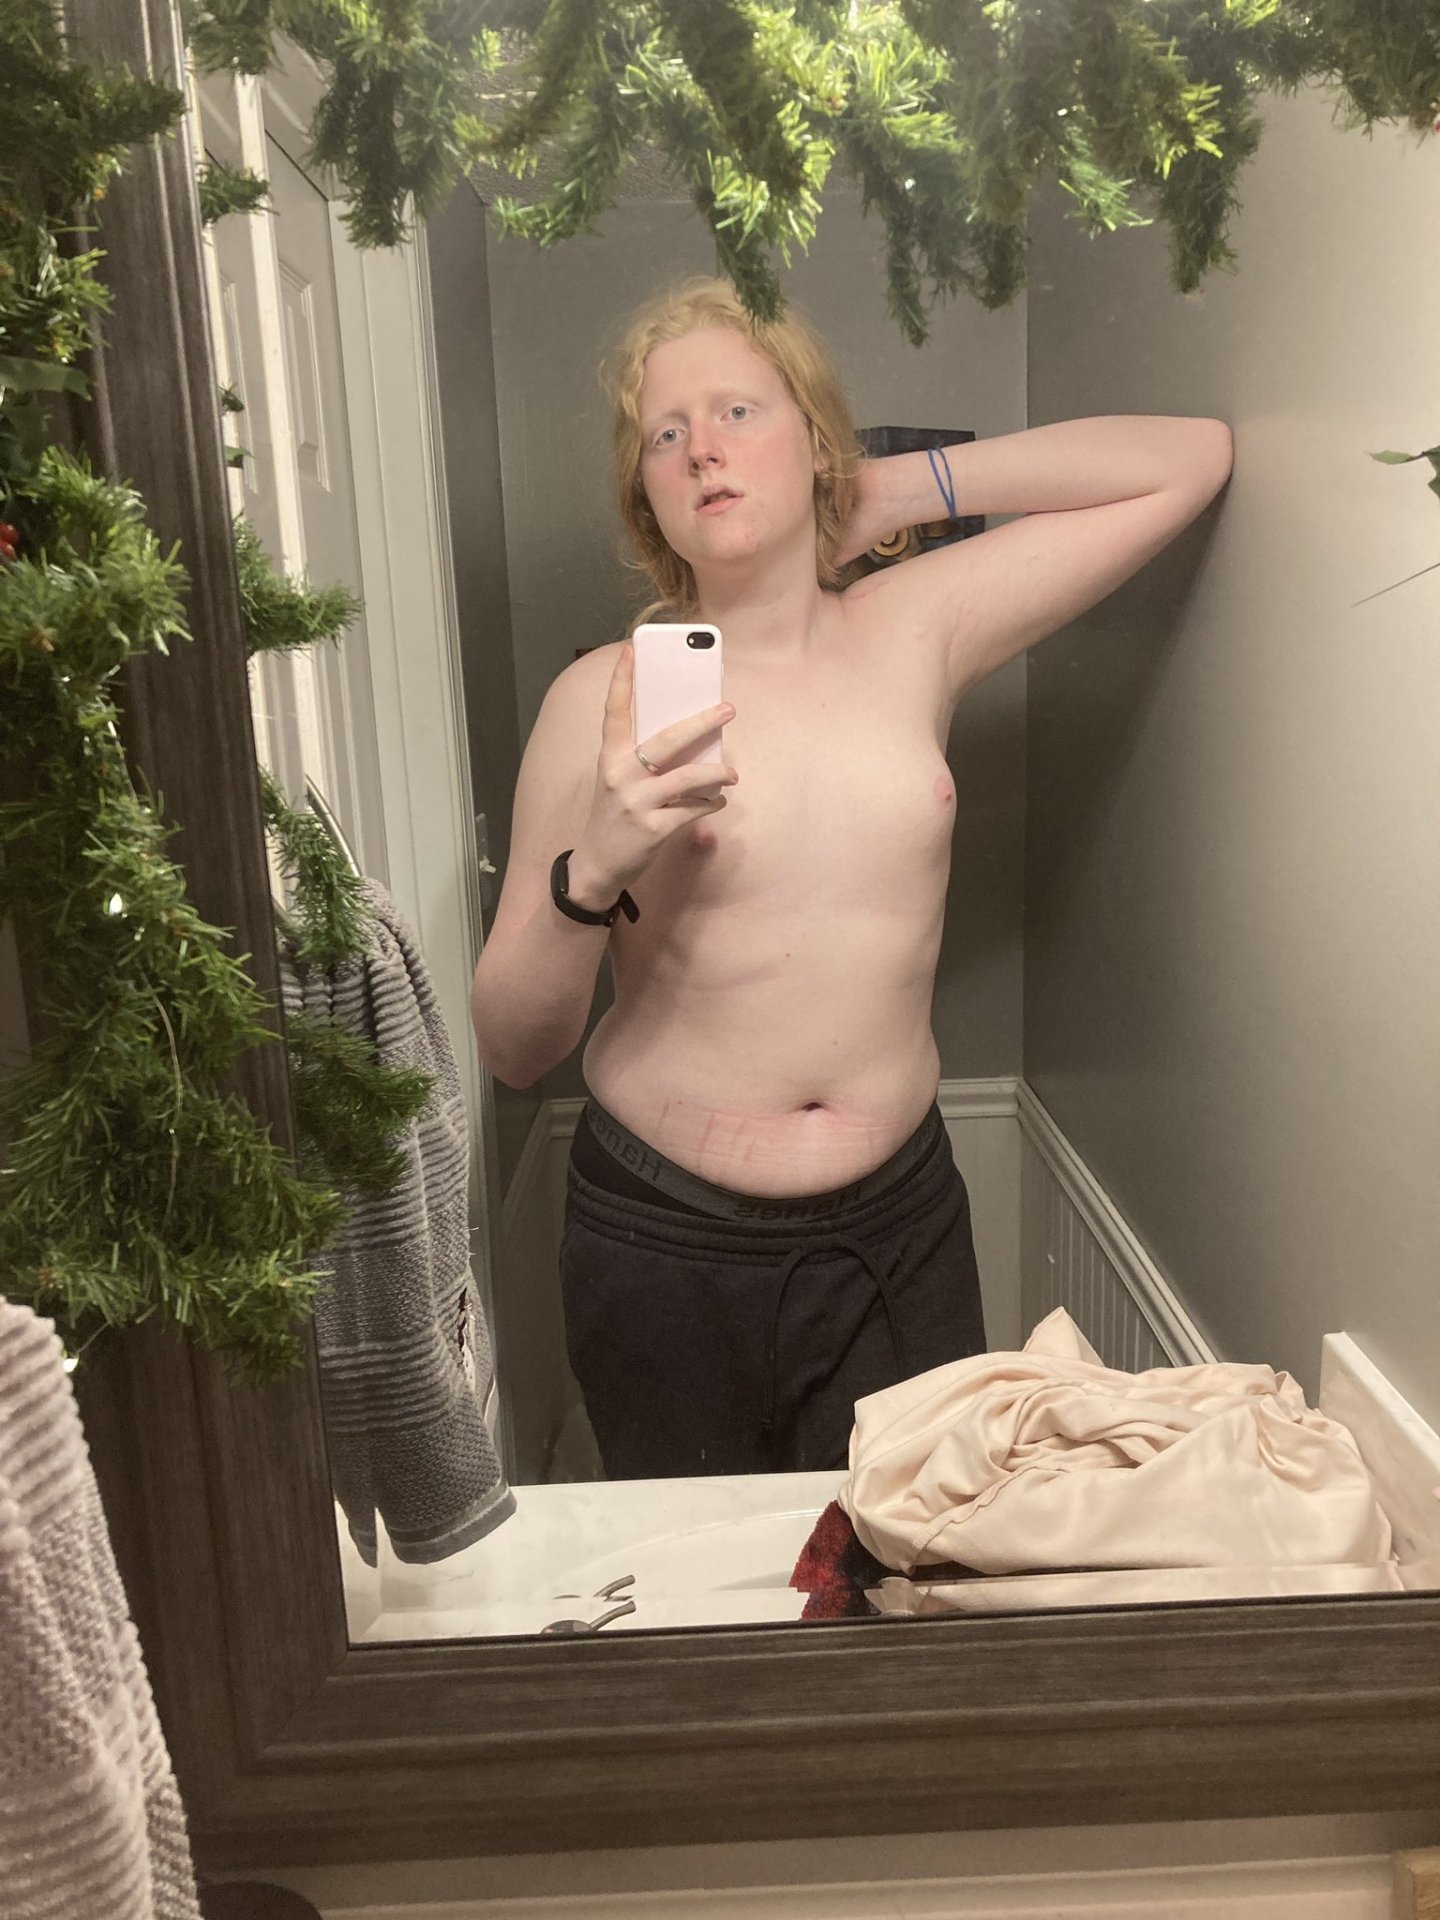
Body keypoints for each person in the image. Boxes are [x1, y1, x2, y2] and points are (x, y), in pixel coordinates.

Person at [471, 278, 1232, 1480]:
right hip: (663, 1242)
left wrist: (898, 489)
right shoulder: (598, 701)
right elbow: (516, 1048)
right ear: (645, 494)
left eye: (739, 411)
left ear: (816, 441)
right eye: (665, 434)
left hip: (899, 1231)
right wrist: (594, 870)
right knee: (699, 1575)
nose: (702, 448)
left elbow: (1186, 464)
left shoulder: (917, 622)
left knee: (907, 1562)